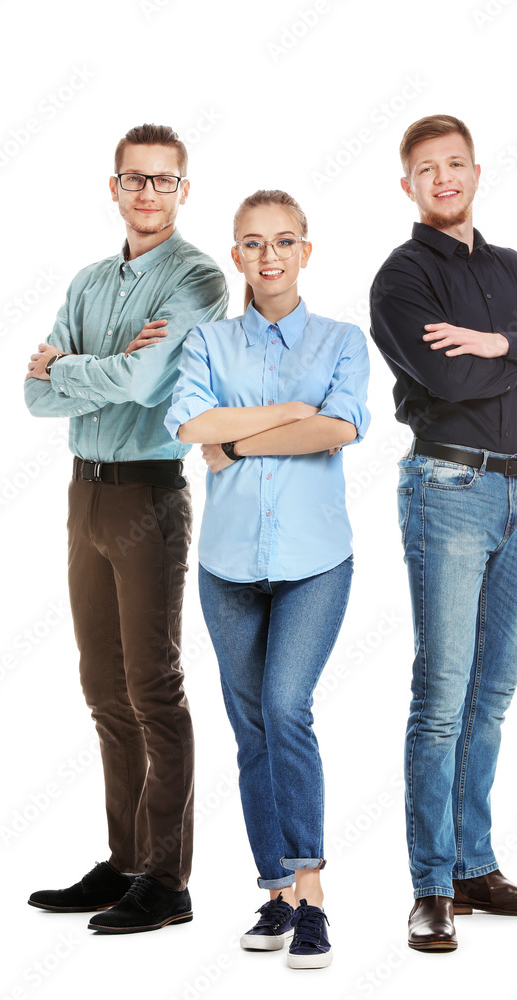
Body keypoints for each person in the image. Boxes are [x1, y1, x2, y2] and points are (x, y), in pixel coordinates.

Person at [369, 115, 517, 953]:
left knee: (493, 693)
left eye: (455, 163)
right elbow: (445, 375)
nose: (443, 177)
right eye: (426, 168)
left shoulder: (508, 269)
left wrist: (510, 337)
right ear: (408, 185)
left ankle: (476, 867)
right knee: (442, 699)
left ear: (476, 172)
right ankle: (432, 885)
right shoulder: (401, 278)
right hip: (449, 484)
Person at [23, 123, 228, 934]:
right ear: (114, 188)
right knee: (102, 690)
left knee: (152, 687)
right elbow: (33, 399)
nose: (148, 193)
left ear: (184, 190)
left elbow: (146, 383)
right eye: (134, 180)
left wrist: (66, 368)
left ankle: (169, 882)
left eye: (163, 181)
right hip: (84, 497)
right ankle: (125, 862)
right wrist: (81, 377)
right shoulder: (86, 281)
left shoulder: (199, 279)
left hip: (148, 497)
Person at [165, 189, 370, 969]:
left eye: (283, 242)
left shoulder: (343, 340)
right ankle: (276, 892)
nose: (269, 256)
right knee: (250, 728)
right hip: (227, 566)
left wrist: (244, 440)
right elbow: (192, 424)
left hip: (315, 562)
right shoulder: (208, 344)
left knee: (287, 707)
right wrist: (288, 408)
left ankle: (312, 897)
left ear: (306, 252)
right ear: (237, 255)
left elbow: (341, 426)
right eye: (253, 244)